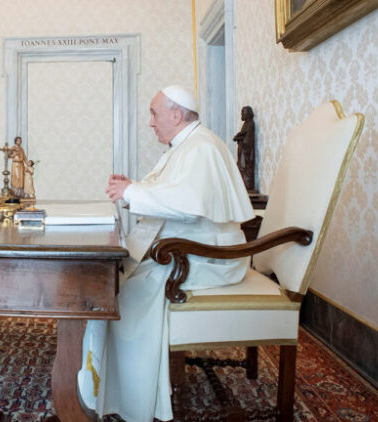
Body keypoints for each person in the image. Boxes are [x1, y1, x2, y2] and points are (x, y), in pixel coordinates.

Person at [77, 85, 254, 421]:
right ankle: (102, 385)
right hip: (192, 249)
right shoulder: (187, 145)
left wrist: (133, 191)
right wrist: (135, 188)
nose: (150, 122)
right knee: (112, 283)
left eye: (154, 113)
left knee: (122, 296)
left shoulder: (200, 148)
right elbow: (176, 194)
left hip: (207, 258)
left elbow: (188, 205)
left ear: (176, 114)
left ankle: (132, 400)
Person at [233, 105, 256, 192]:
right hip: (242, 151)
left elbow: (247, 138)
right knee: (241, 168)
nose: (241, 115)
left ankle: (247, 186)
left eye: (243, 113)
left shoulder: (250, 124)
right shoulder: (246, 124)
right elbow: (242, 134)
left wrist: (238, 138)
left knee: (245, 168)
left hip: (246, 152)